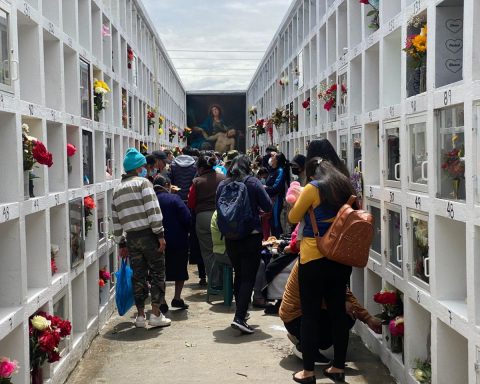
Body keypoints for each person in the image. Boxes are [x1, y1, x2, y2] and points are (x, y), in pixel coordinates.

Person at [288, 159, 356, 383]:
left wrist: (300, 201)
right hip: (340, 258)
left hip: (314, 258)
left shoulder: (313, 188)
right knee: (338, 312)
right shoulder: (346, 186)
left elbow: (293, 218)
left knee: (310, 315)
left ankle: (308, 372)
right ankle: (337, 367)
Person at [111, 148, 171, 328]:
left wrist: (121, 242)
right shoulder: (143, 184)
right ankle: (156, 314)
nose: (146, 169)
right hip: (149, 235)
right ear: (138, 168)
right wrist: (160, 234)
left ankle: (140, 317)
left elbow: (116, 221)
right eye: (144, 166)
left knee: (138, 276)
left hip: (131, 238)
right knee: (157, 273)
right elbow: (153, 210)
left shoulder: (117, 190)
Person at [280, 261, 382, 364]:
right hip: (296, 317)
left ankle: (304, 340)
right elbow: (313, 297)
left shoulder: (331, 260)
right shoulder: (313, 261)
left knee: (350, 313)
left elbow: (344, 292)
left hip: (304, 313)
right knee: (343, 317)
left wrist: (368, 318)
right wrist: (341, 304)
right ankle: (306, 348)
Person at [216, 155, 272, 334]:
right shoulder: (253, 183)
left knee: (238, 273)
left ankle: (241, 311)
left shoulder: (223, 185)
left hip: (230, 237)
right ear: (248, 167)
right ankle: (240, 316)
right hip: (251, 235)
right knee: (249, 276)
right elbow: (268, 205)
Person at [188, 153, 226, 287]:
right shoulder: (223, 178)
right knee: (222, 249)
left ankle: (214, 282)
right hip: (221, 216)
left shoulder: (197, 181)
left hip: (203, 217)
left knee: (208, 252)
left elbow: (191, 203)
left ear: (201, 168)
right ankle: (224, 280)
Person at [154, 175, 191, 310]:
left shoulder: (150, 200)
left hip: (156, 242)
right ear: (167, 185)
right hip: (177, 240)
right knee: (180, 269)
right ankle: (177, 298)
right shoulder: (174, 199)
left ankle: (162, 301)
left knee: (159, 272)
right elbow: (187, 218)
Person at [265, 152, 289, 238]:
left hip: (276, 199)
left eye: (273, 157)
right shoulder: (272, 170)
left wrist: (265, 188)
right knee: (271, 221)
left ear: (277, 160)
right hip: (270, 199)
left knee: (275, 222)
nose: (271, 158)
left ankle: (278, 240)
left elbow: (276, 188)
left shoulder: (280, 171)